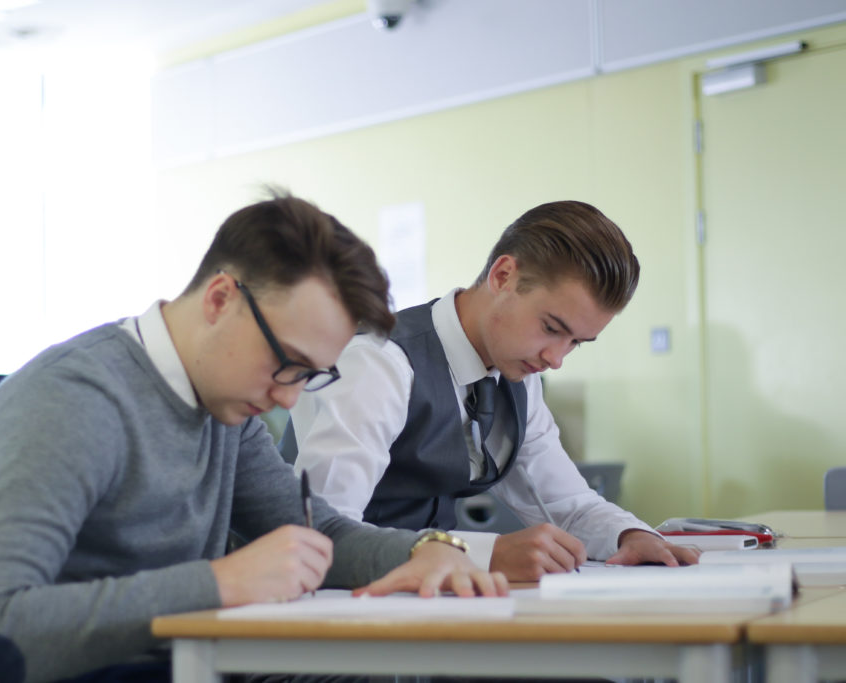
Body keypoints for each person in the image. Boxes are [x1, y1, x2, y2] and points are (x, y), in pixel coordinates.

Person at [0, 191, 506, 683]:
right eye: (287, 363)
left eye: (311, 376)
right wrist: (220, 581)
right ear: (220, 299)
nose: (288, 398)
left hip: (188, 664)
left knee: (415, 666)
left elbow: (314, 533)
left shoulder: (222, 406)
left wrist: (425, 551)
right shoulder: (72, 404)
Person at [282, 200, 700, 581]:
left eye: (575, 342)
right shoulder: (379, 361)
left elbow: (566, 503)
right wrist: (485, 552)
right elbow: (320, 532)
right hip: (328, 611)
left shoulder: (517, 377)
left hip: (429, 604)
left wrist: (631, 535)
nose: (556, 358)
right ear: (503, 276)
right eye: (552, 328)